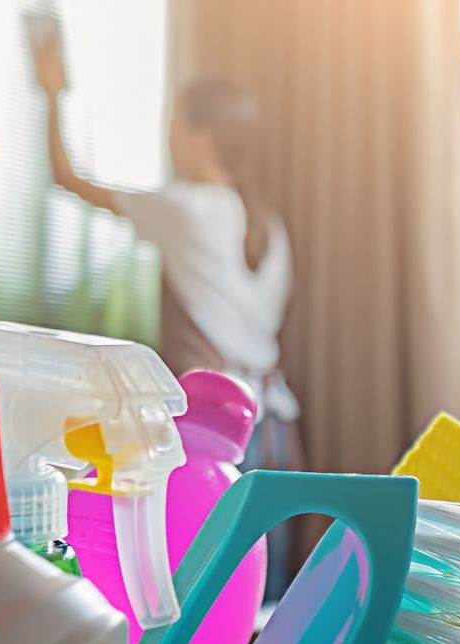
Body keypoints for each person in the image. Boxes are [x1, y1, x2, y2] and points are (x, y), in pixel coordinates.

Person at [32, 39, 297, 476]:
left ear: (201, 139)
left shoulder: (187, 209)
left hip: (221, 430)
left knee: (203, 544)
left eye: (174, 125)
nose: (169, 136)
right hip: (276, 428)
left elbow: (67, 177)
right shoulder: (271, 225)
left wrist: (52, 92)